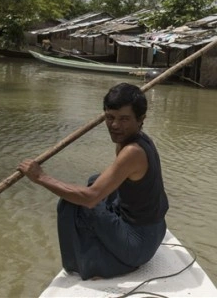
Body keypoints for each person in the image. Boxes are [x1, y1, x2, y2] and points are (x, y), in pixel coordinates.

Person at [18, 83, 169, 280]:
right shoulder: (135, 140)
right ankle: (108, 250)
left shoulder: (132, 152)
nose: (115, 125)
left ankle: (91, 263)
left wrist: (40, 177)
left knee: (73, 203)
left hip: (139, 244)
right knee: (95, 180)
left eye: (124, 119)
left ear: (141, 120)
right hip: (156, 230)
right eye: (110, 118)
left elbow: (90, 199)